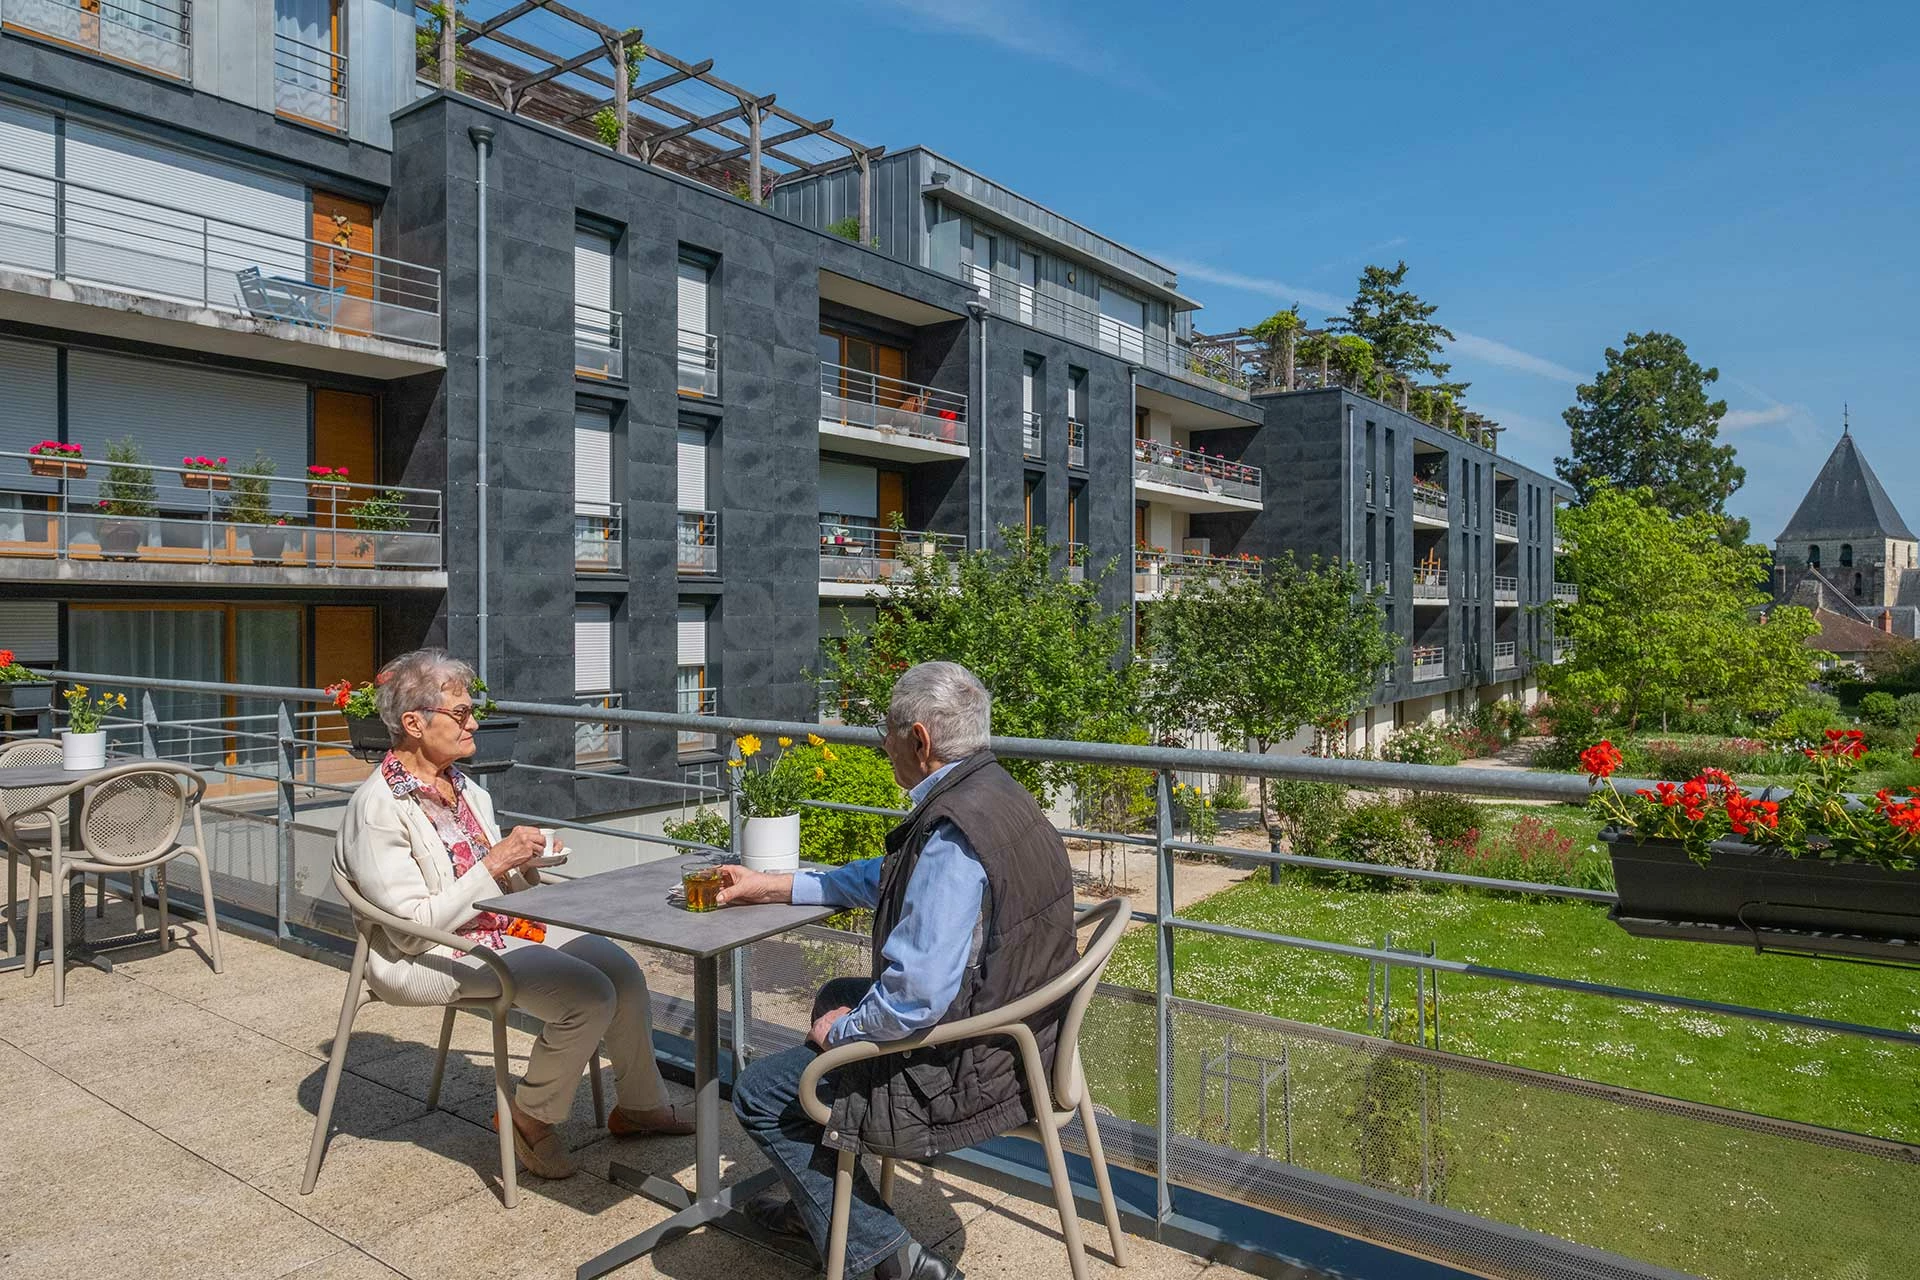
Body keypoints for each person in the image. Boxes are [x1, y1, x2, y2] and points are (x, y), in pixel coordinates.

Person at [717, 661, 1077, 1280]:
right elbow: (885, 880)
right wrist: (770, 885)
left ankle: (895, 1261)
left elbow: (914, 999)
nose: (880, 746)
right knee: (836, 992)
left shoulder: (950, 835)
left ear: (919, 740)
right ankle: (831, 1209)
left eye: (885, 733)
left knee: (763, 1092)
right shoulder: (997, 794)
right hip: (1028, 1038)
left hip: (973, 1064)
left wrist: (842, 1033)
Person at [336, 648, 691, 1179]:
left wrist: (524, 862)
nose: (474, 722)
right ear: (414, 723)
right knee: (587, 998)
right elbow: (410, 931)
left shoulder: (466, 790)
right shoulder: (378, 809)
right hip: (424, 956)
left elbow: (497, 884)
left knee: (622, 969)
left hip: (493, 929)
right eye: (460, 713)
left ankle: (639, 1106)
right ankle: (526, 1118)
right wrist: (496, 861)